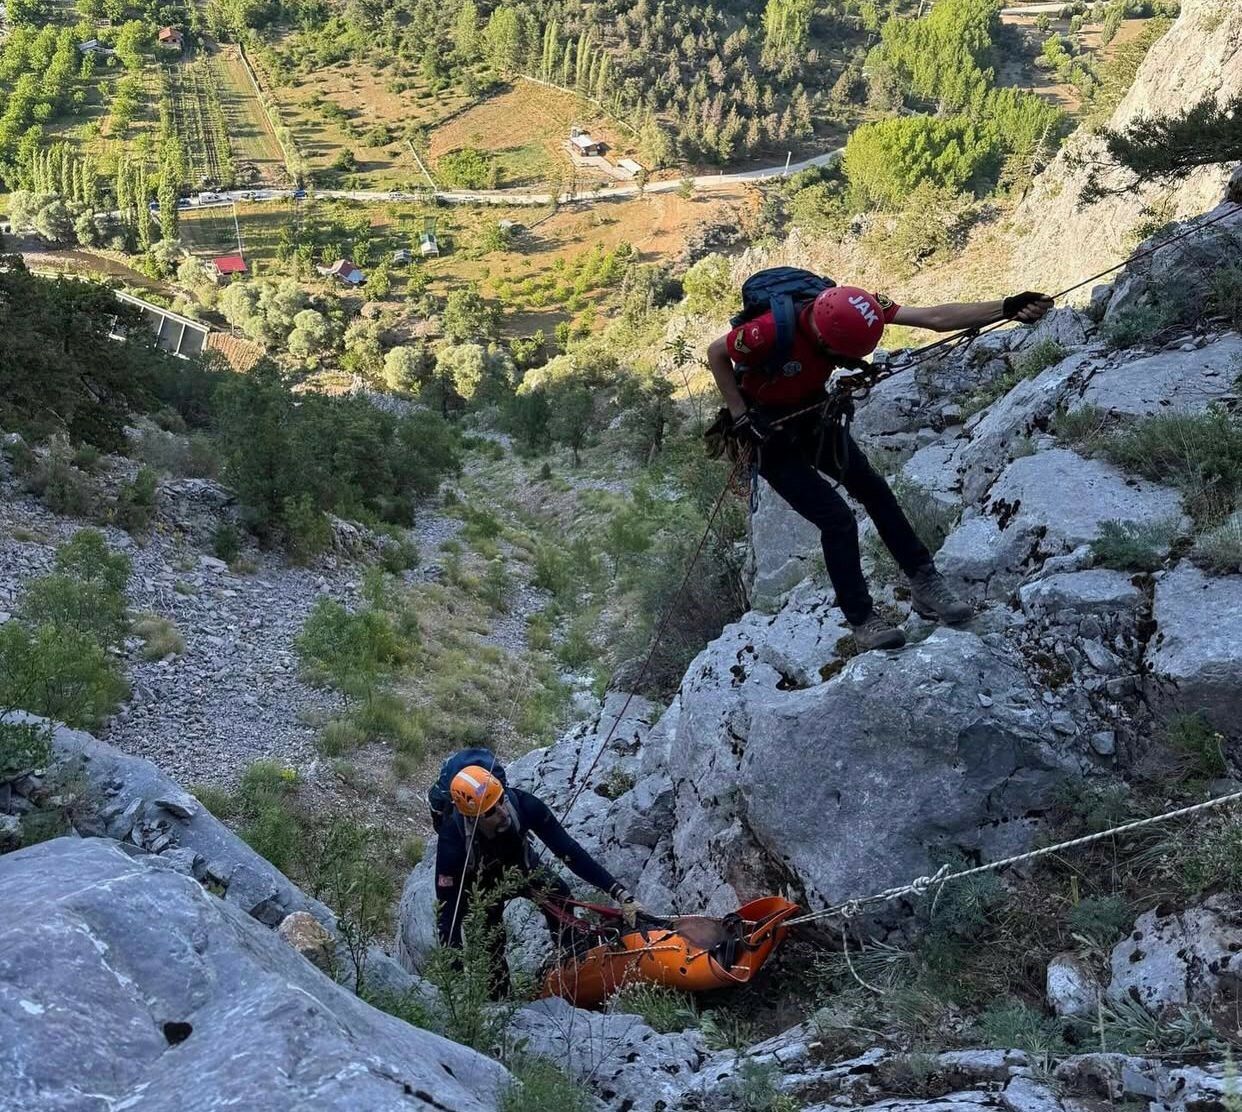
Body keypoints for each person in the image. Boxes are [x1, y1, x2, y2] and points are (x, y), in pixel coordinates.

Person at [707, 284, 1053, 650]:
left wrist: (1006, 307)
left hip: (813, 416)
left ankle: (924, 582)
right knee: (837, 519)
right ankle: (862, 621)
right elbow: (717, 352)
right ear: (824, 338)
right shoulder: (767, 331)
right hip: (766, 435)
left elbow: (934, 317)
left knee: (875, 491)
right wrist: (740, 416)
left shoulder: (859, 308)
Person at [434, 763, 641, 994]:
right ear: (472, 818)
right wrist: (454, 983)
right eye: (490, 812)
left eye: (501, 800)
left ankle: (572, 961)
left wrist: (620, 893)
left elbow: (568, 851)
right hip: (482, 890)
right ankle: (499, 1001)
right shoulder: (452, 842)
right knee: (491, 945)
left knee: (559, 894)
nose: (502, 812)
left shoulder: (523, 805)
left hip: (523, 869)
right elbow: (448, 915)